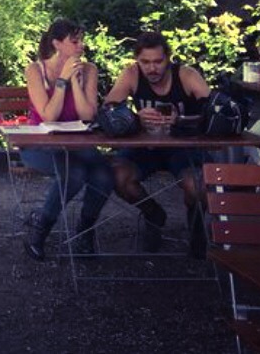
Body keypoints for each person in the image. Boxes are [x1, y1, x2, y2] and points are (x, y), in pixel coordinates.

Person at [103, 31, 212, 256]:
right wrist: (135, 118)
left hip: (183, 147)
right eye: (145, 62)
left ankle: (197, 228)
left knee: (198, 184)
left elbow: (214, 111)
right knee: (118, 175)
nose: (152, 68)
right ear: (137, 60)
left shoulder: (186, 75)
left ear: (168, 58)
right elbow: (108, 110)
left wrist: (182, 121)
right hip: (146, 146)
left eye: (158, 61)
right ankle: (153, 215)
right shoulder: (132, 74)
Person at [20, 18, 113, 259]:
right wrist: (61, 81)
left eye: (82, 40)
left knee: (104, 175)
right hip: (40, 144)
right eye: (75, 41)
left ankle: (85, 230)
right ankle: (40, 229)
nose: (81, 45)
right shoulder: (35, 70)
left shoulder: (89, 70)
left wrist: (75, 81)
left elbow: (87, 115)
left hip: (76, 142)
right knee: (74, 174)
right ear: (57, 44)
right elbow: (49, 116)